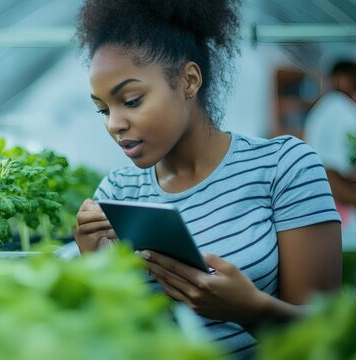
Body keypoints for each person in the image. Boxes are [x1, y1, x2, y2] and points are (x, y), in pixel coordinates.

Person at [72, 0, 342, 358]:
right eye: (103, 110)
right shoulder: (116, 192)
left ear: (189, 80)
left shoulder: (283, 166)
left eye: (132, 100)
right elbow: (112, 335)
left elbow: (331, 337)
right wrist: (93, 270)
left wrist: (250, 310)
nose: (114, 124)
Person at [304, 60, 356, 251]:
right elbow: (330, 172)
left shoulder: (327, 108)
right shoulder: (339, 110)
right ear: (342, 78)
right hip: (342, 211)